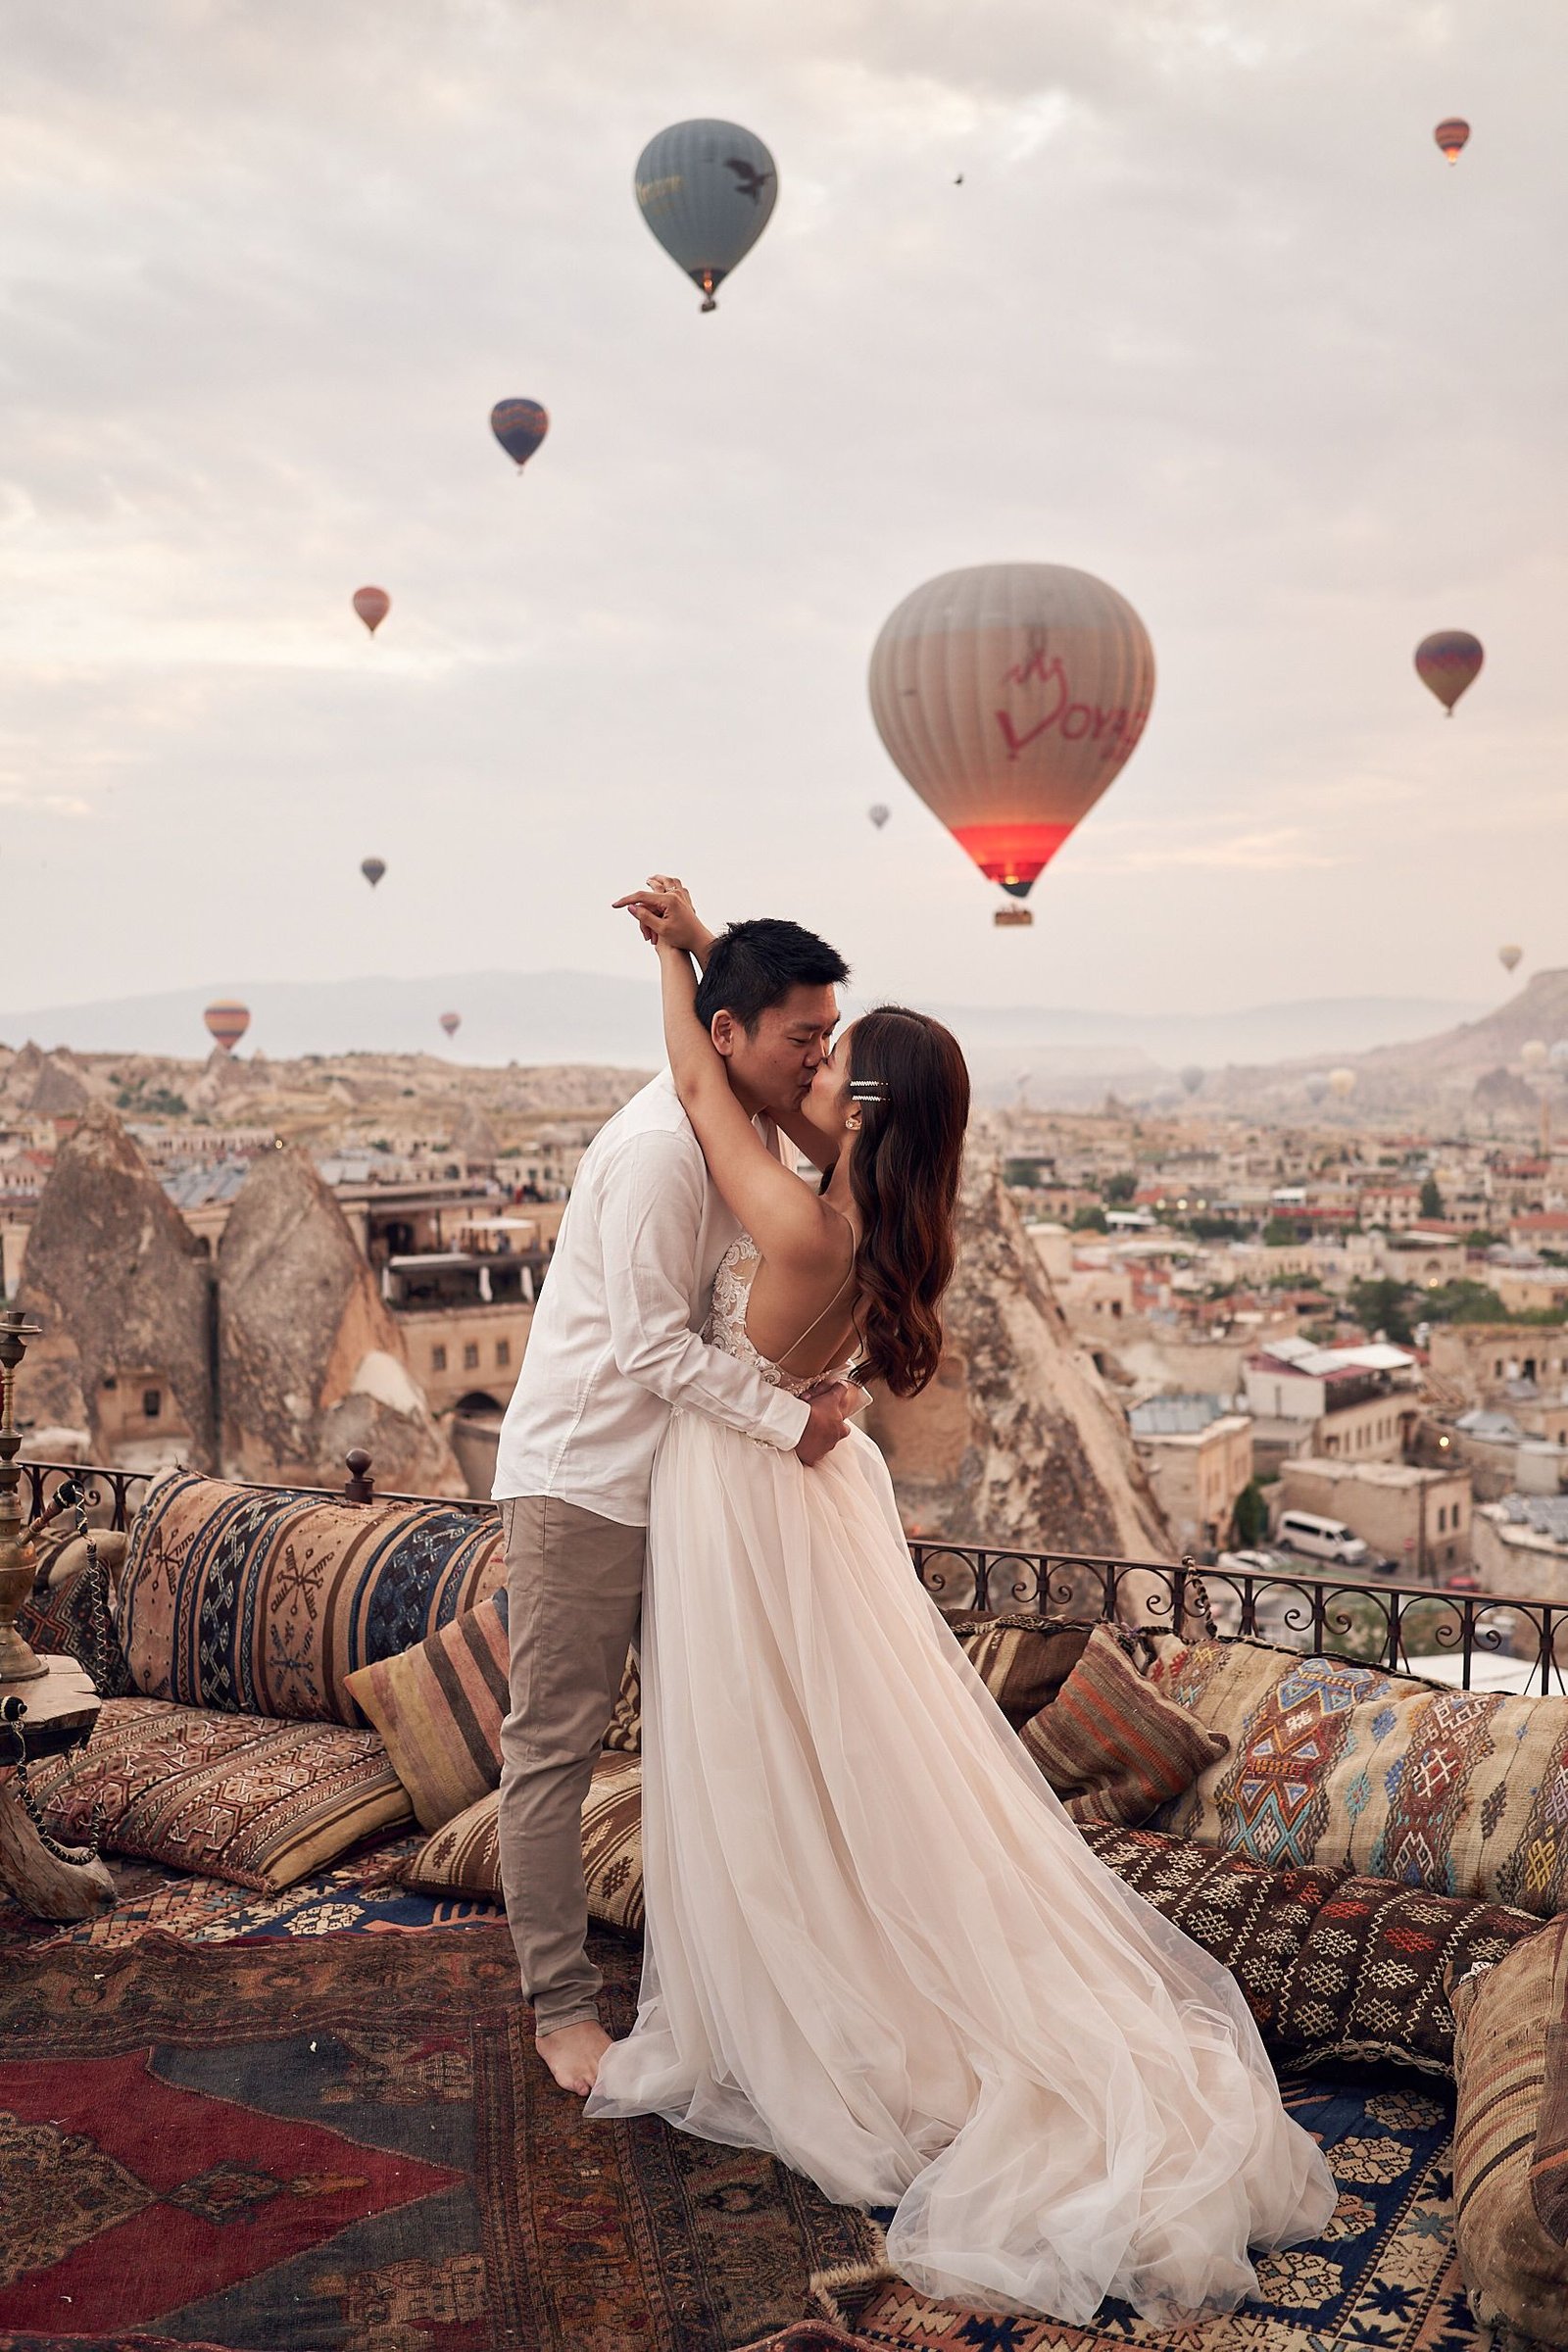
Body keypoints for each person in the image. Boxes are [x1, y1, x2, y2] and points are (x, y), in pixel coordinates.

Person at [585, 875, 1339, 2328]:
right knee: (837, 1751)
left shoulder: (808, 1225)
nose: (814, 1072)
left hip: (744, 1491)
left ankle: (811, 1995)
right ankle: (847, 1957)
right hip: (808, 1482)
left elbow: (700, 1071)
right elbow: (773, 1084)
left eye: (837, 1058)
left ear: (862, 1098)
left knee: (756, 1745)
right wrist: (719, 951)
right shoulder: (891, 1210)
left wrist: (675, 956)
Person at [491, 911, 860, 2097]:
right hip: (586, 1479)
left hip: (678, 1482)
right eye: (801, 1038)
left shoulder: (732, 1126)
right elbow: (650, 1348)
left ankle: (727, 1971)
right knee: (555, 1744)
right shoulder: (661, 1150)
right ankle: (558, 2009)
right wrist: (787, 1421)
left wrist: (695, 940)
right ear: (726, 1032)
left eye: (828, 1036)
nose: (818, 1061)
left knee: (713, 1729)